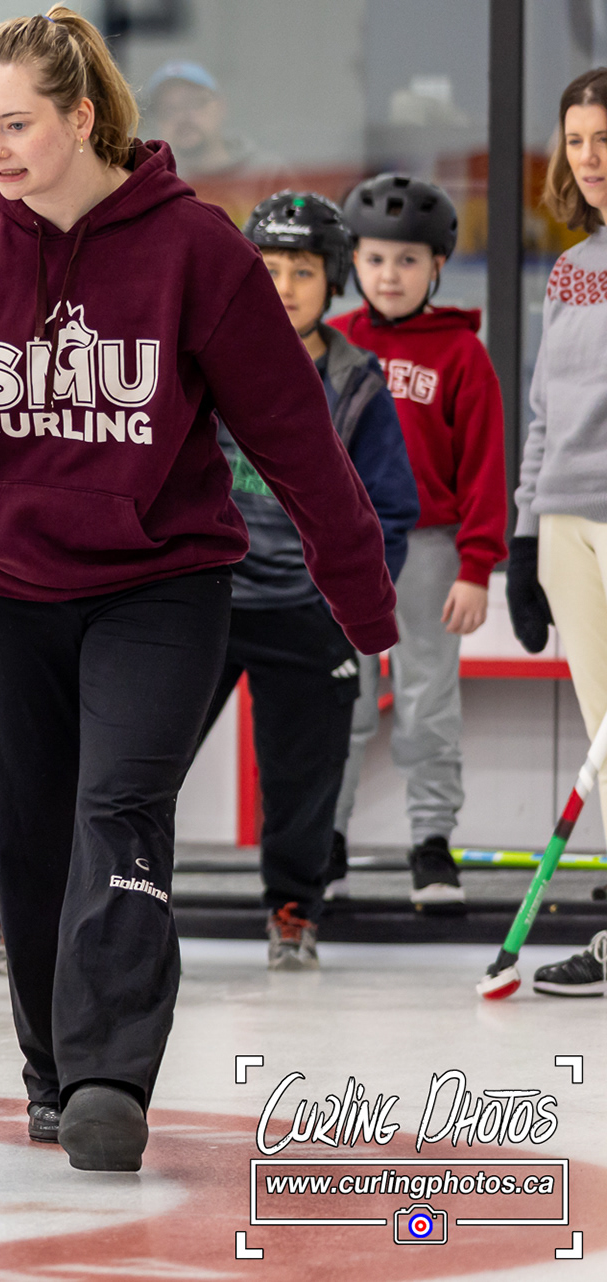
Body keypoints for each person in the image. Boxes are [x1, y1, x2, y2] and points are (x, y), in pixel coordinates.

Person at [0, 8, 396, 1172]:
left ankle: (110, 1071)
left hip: (163, 583)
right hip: (13, 593)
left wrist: (364, 603)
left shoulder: (195, 251)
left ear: (81, 116)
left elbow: (299, 441)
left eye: (17, 124)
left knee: (119, 808)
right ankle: (52, 1072)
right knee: (27, 837)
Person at [189, 192, 418, 966]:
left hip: (308, 613)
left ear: (334, 280)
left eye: (303, 270)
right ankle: (91, 902)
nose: (284, 286)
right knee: (134, 765)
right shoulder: (205, 357)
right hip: (203, 602)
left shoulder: (357, 382)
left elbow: (389, 509)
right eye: (269, 268)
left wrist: (346, 601)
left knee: (303, 779)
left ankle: (293, 908)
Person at [331, 175, 507, 913]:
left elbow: (486, 467)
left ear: (437, 266)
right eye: (375, 259)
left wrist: (477, 565)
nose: (390, 276)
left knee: (428, 701)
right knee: (342, 700)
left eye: (408, 261)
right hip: (346, 550)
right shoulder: (336, 344)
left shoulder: (462, 354)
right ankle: (325, 840)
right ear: (353, 262)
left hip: (430, 551)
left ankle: (432, 841)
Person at [507, 67, 607, 998]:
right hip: (569, 521)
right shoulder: (574, 269)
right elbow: (544, 412)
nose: (590, 157)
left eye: (606, 138)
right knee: (603, 742)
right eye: (577, 141)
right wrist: (527, 533)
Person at [141, 60, 288, 222]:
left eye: (194, 103)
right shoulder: (153, 187)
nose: (182, 117)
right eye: (168, 109)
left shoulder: (268, 175)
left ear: (221, 107)